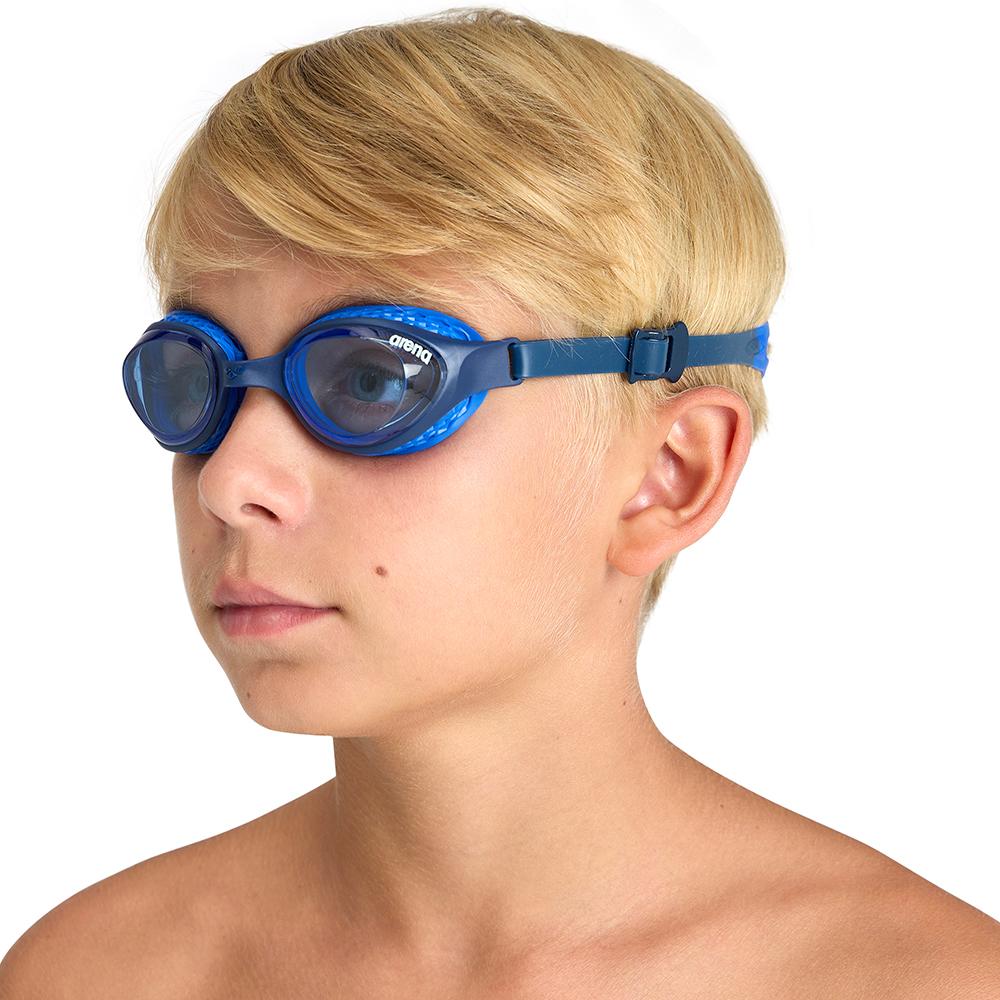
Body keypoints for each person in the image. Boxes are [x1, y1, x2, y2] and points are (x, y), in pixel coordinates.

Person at [2, 8, 998, 998]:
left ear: (670, 474)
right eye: (197, 378)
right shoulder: (96, 976)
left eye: (375, 380)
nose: (228, 480)